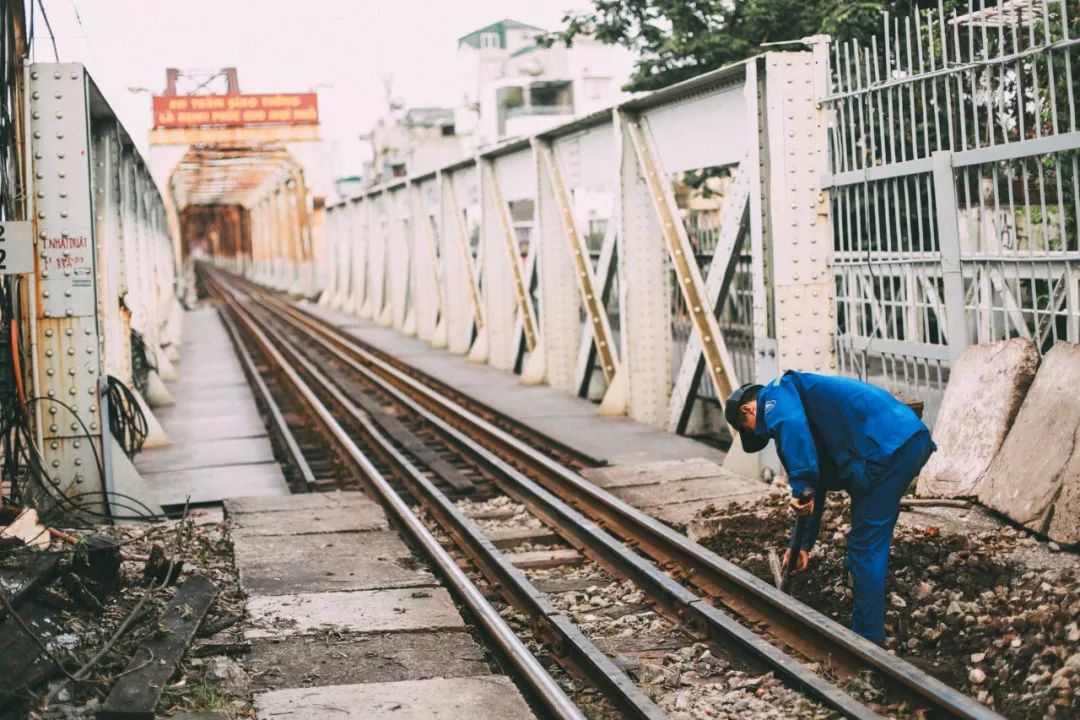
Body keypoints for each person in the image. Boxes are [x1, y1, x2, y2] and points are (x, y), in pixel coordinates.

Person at [724, 371, 935, 646]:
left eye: (754, 429)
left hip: (885, 449)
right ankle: (866, 612)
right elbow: (818, 479)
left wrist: (802, 486)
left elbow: (794, 436)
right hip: (898, 443)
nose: (768, 435)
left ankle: (867, 642)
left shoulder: (775, 395)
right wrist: (802, 544)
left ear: (747, 410)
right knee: (867, 539)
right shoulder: (800, 402)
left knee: (865, 546)